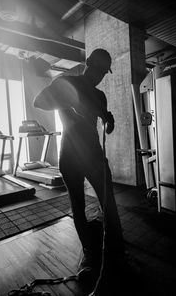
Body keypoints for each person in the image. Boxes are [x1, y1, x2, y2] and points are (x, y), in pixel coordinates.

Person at [33, 48, 127, 295]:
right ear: (87, 63)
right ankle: (90, 255)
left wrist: (109, 122)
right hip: (70, 155)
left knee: (109, 203)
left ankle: (116, 250)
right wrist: (72, 101)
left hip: (94, 154)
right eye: (97, 69)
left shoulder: (100, 95)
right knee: (78, 205)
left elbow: (105, 125)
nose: (99, 76)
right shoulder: (65, 82)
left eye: (103, 73)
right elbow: (38, 102)